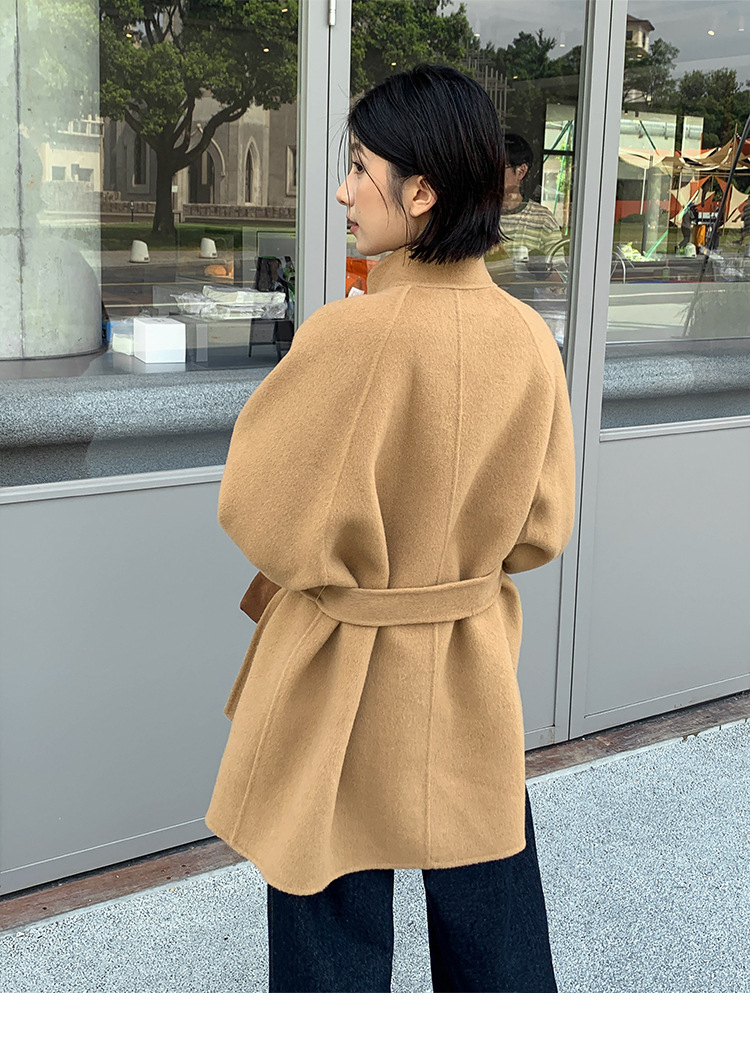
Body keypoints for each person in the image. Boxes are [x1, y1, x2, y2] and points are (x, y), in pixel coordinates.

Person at [205, 64, 576, 993]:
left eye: (359, 168)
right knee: (494, 916)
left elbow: (258, 508)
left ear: (420, 192)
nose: (343, 190)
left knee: (328, 929)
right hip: (466, 660)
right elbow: (542, 526)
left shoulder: (349, 335)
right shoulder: (528, 338)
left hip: (342, 663)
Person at [500, 132, 564, 258]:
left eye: (500, 166)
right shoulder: (477, 216)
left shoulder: (543, 221)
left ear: (521, 171)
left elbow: (557, 268)